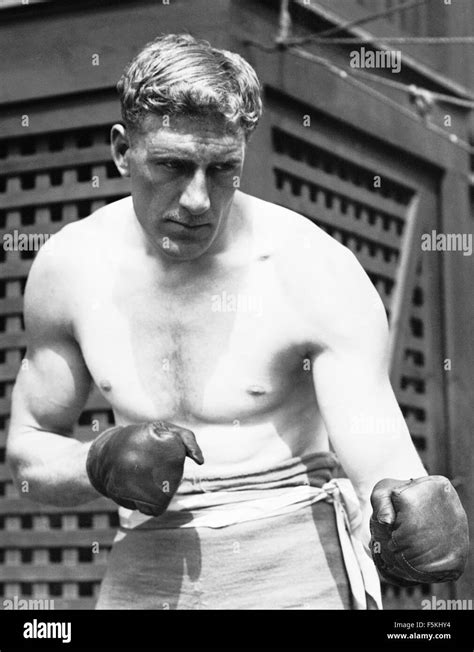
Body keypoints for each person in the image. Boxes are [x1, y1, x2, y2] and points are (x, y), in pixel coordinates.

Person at [6, 34, 468, 610]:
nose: (198, 199)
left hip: (296, 553)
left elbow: (380, 455)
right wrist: (97, 462)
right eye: (172, 166)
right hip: (147, 561)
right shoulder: (70, 269)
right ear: (123, 151)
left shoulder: (312, 268)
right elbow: (27, 453)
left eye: (223, 169)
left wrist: (409, 504)